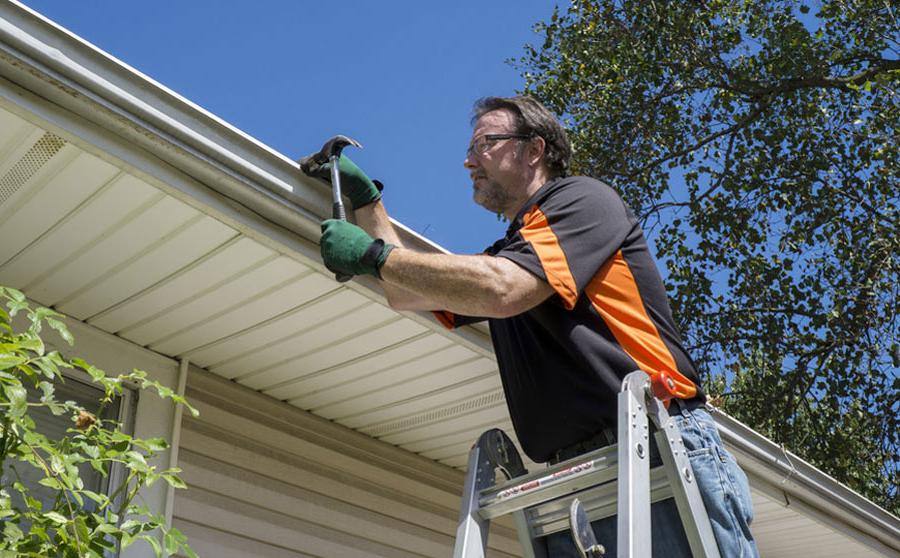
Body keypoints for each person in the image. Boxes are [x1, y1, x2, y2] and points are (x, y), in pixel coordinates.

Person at [302, 96, 758, 557]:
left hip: (661, 445)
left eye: (484, 143)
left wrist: (372, 255)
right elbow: (408, 290)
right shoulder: (511, 255)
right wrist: (368, 204)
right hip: (583, 474)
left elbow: (502, 289)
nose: (468, 160)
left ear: (534, 149)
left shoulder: (583, 200)